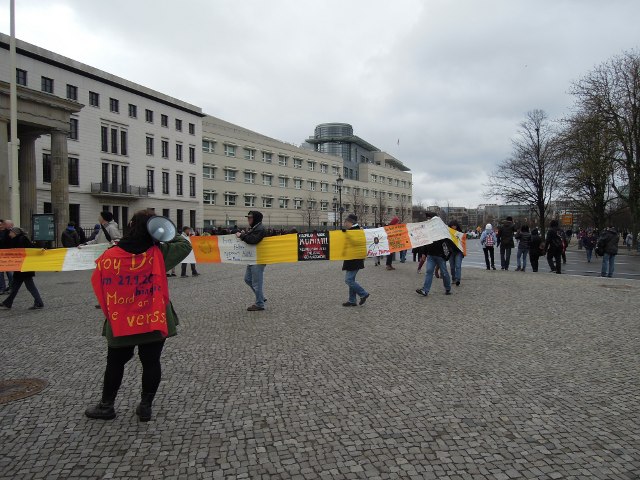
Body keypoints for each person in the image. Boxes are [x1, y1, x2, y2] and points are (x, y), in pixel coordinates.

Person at [85, 210, 191, 422]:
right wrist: (164, 229)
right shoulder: (158, 253)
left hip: (122, 318)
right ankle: (145, 406)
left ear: (131, 226)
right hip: (152, 318)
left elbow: (100, 282)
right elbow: (185, 244)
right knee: (151, 362)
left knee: (114, 362)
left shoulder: (111, 255)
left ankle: (106, 406)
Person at [0, 227, 44, 310]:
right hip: (19, 268)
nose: (9, 234)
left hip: (25, 267)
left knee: (30, 286)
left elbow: (31, 248)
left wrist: (39, 250)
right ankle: (8, 303)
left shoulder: (22, 239)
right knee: (15, 286)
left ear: (15, 233)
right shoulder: (14, 240)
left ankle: (39, 302)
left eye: (11, 232)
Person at [416, 212, 452, 297]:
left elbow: (447, 243)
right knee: (429, 271)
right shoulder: (429, 230)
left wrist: (445, 256)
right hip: (431, 255)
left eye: (429, 219)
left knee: (444, 272)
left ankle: (448, 288)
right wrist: (424, 253)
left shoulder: (443, 230)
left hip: (440, 256)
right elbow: (426, 242)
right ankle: (425, 290)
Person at [237, 211, 267, 311]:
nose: (248, 219)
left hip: (258, 259)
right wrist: (244, 235)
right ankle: (261, 297)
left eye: (250, 218)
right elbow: (251, 238)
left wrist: (242, 236)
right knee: (248, 279)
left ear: (256, 219)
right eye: (248, 217)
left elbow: (253, 240)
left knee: (256, 283)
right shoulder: (255, 228)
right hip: (252, 258)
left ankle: (259, 304)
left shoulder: (260, 229)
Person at [341, 214, 369, 306]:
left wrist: (347, 234)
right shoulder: (352, 231)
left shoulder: (356, 231)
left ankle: (363, 293)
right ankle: (352, 300)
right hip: (351, 258)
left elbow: (356, 243)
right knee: (351, 279)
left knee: (348, 280)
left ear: (351, 222)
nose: (345, 223)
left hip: (355, 259)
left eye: (346, 222)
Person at [447, 219, 464, 286]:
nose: (454, 227)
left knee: (458, 266)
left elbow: (463, 243)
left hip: (459, 252)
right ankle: (453, 278)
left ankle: (458, 279)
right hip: (451, 252)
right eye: (452, 225)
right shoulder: (448, 233)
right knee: (452, 267)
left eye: (455, 225)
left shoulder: (460, 233)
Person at [0, 219, 14, 294]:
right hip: (0, 254)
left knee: (8, 271)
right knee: (0, 272)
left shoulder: (8, 232)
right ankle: (2, 288)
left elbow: (9, 242)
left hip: (7, 253)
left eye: (1, 224)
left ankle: (11, 286)